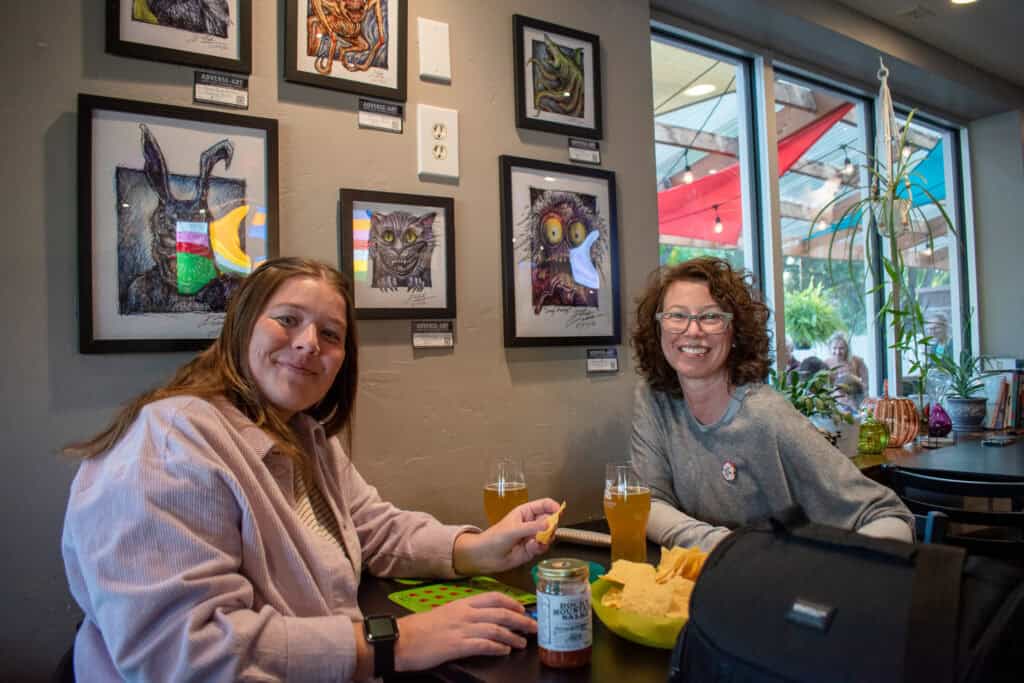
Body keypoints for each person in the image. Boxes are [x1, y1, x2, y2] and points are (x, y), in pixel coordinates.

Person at [61, 257, 561, 682]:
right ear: (241, 324)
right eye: (287, 320)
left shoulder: (302, 432)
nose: (308, 344)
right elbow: (189, 654)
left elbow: (374, 528)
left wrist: (477, 548)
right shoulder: (170, 440)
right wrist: (394, 642)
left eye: (329, 334)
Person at [630, 257, 913, 552]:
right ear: (658, 327)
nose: (692, 331)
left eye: (711, 317)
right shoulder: (654, 398)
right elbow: (648, 501)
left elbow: (889, 516)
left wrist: (826, 575)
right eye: (677, 316)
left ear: (735, 332)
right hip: (705, 581)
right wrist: (721, 545)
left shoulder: (766, 416)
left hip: (780, 584)